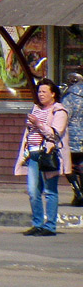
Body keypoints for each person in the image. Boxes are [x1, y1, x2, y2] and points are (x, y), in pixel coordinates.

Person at [16, 77, 72, 236]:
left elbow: (55, 133)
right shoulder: (36, 109)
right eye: (39, 91)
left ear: (53, 94)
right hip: (33, 155)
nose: (41, 94)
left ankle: (50, 226)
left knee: (49, 191)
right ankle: (37, 224)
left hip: (48, 155)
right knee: (33, 191)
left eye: (44, 92)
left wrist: (38, 124)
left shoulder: (59, 111)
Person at [61, 72, 83, 205]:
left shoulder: (69, 97)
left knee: (69, 166)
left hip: (72, 137)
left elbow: (64, 116)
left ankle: (78, 192)